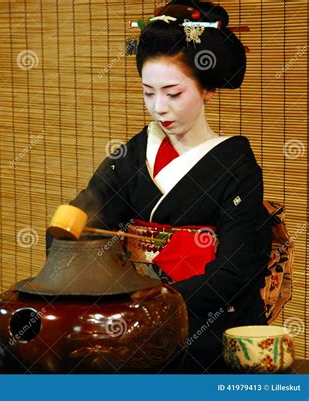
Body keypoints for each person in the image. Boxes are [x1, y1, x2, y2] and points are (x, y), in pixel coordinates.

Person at [48, 0, 272, 373]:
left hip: (204, 326)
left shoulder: (236, 164)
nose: (159, 108)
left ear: (207, 89)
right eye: (148, 93)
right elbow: (87, 210)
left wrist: (149, 302)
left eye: (173, 93)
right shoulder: (136, 151)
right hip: (133, 319)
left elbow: (236, 269)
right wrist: (68, 243)